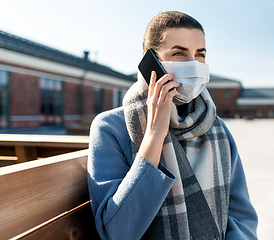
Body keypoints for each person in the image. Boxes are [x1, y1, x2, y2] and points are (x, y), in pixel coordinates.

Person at [87, 11, 258, 240]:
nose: (193, 65)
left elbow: (241, 218)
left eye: (200, 54)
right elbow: (118, 232)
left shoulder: (217, 129)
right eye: (179, 53)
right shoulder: (110, 128)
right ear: (152, 62)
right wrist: (154, 135)